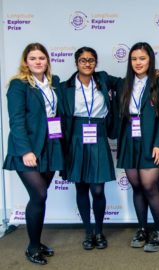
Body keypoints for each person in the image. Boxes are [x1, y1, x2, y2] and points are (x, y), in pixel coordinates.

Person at [3, 43, 64, 265]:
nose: (38, 61)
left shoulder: (53, 83)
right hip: (27, 148)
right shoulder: (18, 85)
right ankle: (32, 247)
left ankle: (37, 243)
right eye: (33, 58)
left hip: (50, 147)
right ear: (25, 62)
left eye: (41, 57)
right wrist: (26, 150)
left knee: (40, 197)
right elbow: (16, 121)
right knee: (39, 195)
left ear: (47, 60)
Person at [60, 47, 120, 250]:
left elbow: (127, 82)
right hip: (75, 136)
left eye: (91, 60)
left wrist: (151, 75)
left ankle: (99, 231)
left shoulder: (103, 79)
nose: (87, 64)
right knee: (81, 187)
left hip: (99, 133)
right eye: (83, 60)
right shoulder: (65, 86)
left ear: (96, 62)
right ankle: (88, 231)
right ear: (76, 63)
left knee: (98, 188)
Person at [117, 42, 159, 252]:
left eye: (142, 58)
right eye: (134, 59)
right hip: (130, 141)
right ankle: (142, 228)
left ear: (150, 60)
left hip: (151, 141)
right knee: (137, 186)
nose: (138, 63)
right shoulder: (123, 84)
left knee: (150, 187)